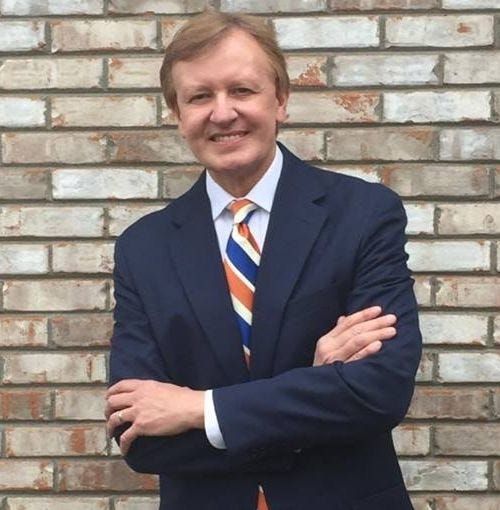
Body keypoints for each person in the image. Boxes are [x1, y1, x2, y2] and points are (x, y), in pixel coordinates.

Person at [105, 10, 421, 510]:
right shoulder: (143, 248)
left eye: (242, 90)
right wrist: (315, 385)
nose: (222, 113)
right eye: (200, 96)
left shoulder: (363, 215)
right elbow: (139, 436)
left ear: (281, 100)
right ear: (177, 114)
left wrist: (198, 408)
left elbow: (379, 392)